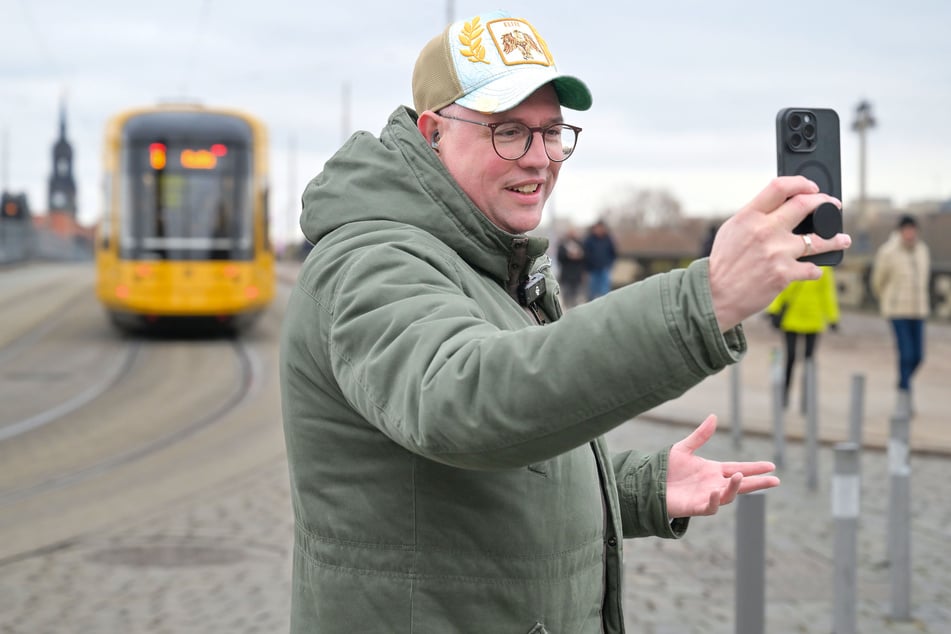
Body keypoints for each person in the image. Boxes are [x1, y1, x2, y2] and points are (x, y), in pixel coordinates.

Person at [279, 9, 850, 633]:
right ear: (432, 131)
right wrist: (703, 300)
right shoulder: (371, 260)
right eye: (508, 132)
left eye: (552, 131)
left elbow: (495, 469)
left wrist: (637, 488)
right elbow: (463, 402)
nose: (540, 158)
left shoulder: (490, 256)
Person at [871, 214, 931, 415]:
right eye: (906, 229)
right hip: (897, 311)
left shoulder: (922, 251)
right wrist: (888, 300)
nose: (910, 233)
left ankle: (902, 384)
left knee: (918, 356)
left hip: (918, 310)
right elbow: (878, 281)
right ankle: (905, 399)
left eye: (913, 229)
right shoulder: (888, 252)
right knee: (905, 355)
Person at [765, 266, 840, 411]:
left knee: (809, 360)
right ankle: (784, 395)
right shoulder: (795, 262)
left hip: (813, 319)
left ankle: (806, 399)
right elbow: (783, 286)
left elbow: (827, 292)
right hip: (792, 318)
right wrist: (773, 309)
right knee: (790, 357)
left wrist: (832, 317)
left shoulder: (824, 268)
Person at [583, 218, 617, 300]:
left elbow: (613, 253)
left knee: (605, 291)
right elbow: (585, 254)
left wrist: (609, 264)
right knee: (592, 292)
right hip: (592, 270)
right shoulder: (589, 240)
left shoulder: (608, 239)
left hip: (604, 268)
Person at [556, 224, 586, 308]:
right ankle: (568, 309)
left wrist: (579, 256)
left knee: (577, 296)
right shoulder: (563, 244)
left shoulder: (580, 243)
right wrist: (568, 255)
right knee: (567, 296)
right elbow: (559, 257)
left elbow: (585, 257)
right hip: (566, 275)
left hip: (577, 275)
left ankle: (575, 310)